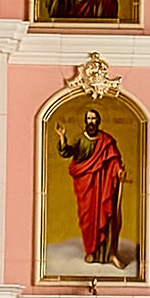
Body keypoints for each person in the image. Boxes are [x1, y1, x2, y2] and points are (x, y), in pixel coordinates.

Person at [56, 102, 127, 269]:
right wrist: (61, 136)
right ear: (85, 121)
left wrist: (118, 172)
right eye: (88, 118)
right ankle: (91, 251)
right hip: (87, 185)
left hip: (104, 184)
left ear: (98, 120)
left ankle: (110, 254)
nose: (91, 121)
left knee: (107, 217)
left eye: (94, 118)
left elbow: (115, 160)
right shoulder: (80, 139)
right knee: (88, 218)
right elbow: (67, 152)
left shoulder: (107, 140)